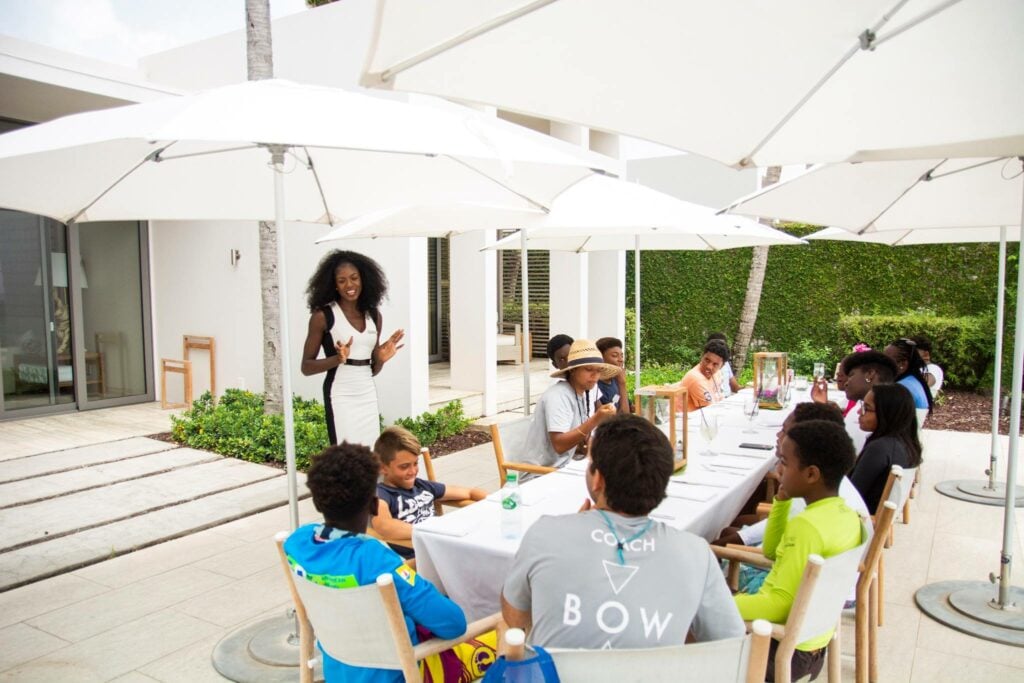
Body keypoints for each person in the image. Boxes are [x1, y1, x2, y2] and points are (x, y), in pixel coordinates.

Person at [502, 414, 745, 648]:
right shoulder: (697, 554)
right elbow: (730, 643)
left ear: (598, 480)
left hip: (550, 671)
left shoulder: (546, 534)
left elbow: (515, 619)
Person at [283, 442, 496, 682]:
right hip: (406, 673)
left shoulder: (295, 544)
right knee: (507, 629)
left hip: (339, 670)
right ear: (374, 504)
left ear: (317, 501)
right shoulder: (374, 559)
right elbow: (454, 624)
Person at [734, 420, 864, 682]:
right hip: (811, 651)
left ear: (811, 474)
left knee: (687, 630)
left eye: (784, 462)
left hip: (778, 653)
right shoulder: (847, 515)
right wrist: (781, 501)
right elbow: (772, 551)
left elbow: (779, 605)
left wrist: (716, 605)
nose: (779, 469)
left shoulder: (807, 526)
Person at [712, 402, 869, 549]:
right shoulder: (830, 482)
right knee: (729, 530)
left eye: (785, 431)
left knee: (721, 539)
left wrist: (714, 548)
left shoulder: (808, 496)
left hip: (782, 562)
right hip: (824, 557)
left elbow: (773, 553)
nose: (778, 435)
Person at [301, 251, 405, 447]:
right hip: (340, 394)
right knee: (345, 454)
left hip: (367, 393)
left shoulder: (374, 315)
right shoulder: (323, 316)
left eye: (354, 278)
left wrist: (381, 359)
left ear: (363, 278)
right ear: (334, 285)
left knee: (370, 452)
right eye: (341, 281)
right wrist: (338, 359)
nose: (349, 285)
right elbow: (306, 367)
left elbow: (371, 369)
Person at [371, 426, 486, 559]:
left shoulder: (422, 486)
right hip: (421, 558)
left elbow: (469, 492)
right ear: (383, 468)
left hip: (445, 546)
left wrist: (496, 500)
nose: (413, 471)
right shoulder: (381, 494)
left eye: (415, 463)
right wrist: (433, 531)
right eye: (404, 466)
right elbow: (384, 526)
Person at [521, 339, 619, 470]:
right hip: (540, 472)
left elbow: (581, 440)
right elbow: (559, 445)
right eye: (589, 369)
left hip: (564, 465)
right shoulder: (558, 396)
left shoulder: (580, 394)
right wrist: (596, 419)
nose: (595, 375)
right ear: (573, 370)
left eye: (598, 370)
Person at [850, 383, 923, 512]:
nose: (859, 412)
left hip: (859, 517)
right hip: (872, 516)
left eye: (866, 408)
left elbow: (852, 494)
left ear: (887, 414)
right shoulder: (907, 444)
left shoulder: (880, 448)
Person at [814, 350, 897, 454]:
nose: (846, 383)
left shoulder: (880, 415)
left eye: (851, 375)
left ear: (870, 375)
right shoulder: (859, 406)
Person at [883, 337, 933, 415]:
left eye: (886, 361)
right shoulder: (912, 381)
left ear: (902, 364)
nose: (881, 364)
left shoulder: (901, 389)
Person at [680, 339, 729, 412]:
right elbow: (710, 412)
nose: (709, 367)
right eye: (707, 360)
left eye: (715, 364)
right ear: (702, 356)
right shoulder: (696, 379)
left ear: (722, 366)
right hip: (687, 418)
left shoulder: (717, 374)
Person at [595, 336, 630, 414]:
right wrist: (622, 384)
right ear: (601, 358)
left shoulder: (615, 379)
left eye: (621, 356)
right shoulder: (595, 386)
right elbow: (624, 416)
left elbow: (629, 406)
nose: (621, 360)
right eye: (615, 355)